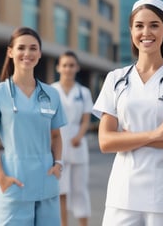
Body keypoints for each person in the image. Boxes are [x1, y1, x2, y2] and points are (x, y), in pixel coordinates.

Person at [92, 0, 163, 226]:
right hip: (122, 193)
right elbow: (106, 142)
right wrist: (154, 135)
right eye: (139, 26)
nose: (146, 32)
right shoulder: (116, 79)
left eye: (154, 25)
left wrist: (128, 138)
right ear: (131, 30)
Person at [0, 27, 67, 225]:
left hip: (47, 182)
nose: (27, 53)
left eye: (33, 48)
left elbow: (55, 135)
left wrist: (58, 164)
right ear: (10, 52)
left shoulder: (51, 94)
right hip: (13, 185)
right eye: (21, 48)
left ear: (39, 54)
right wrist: (1, 177)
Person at [52, 51, 93, 226]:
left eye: (71, 65)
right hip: (57, 145)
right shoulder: (51, 90)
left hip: (77, 144)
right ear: (58, 68)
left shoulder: (83, 92)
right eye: (65, 65)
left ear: (77, 67)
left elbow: (86, 119)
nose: (68, 69)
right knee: (60, 192)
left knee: (79, 191)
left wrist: (78, 136)